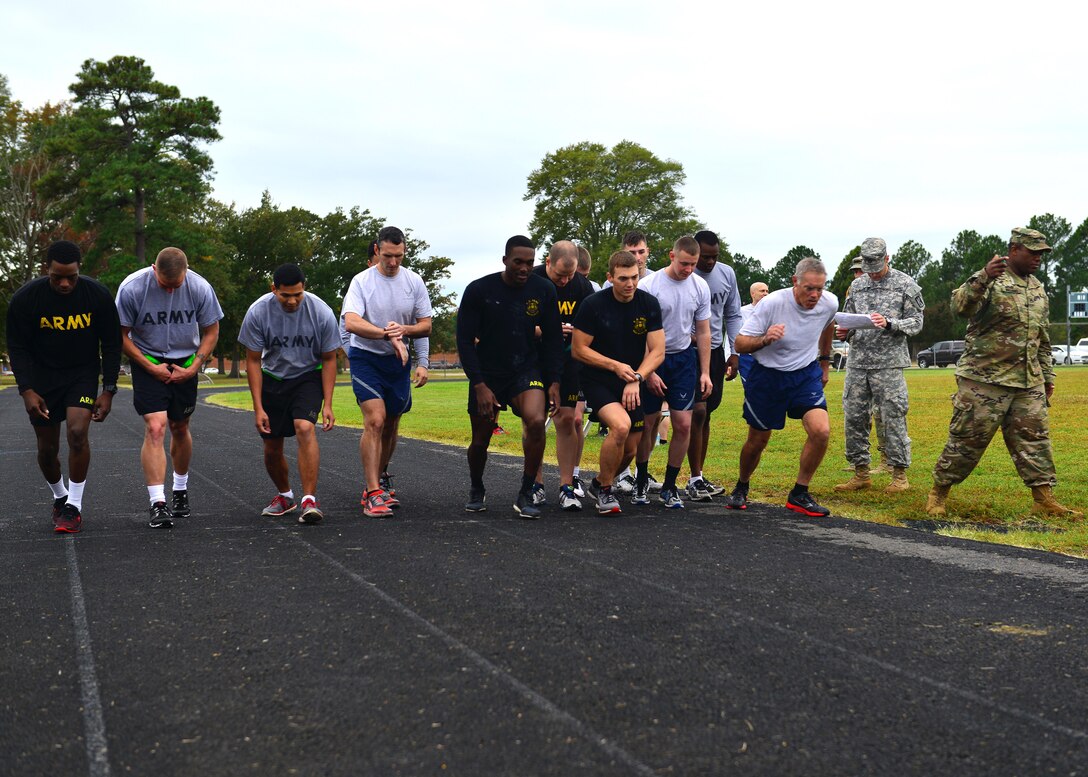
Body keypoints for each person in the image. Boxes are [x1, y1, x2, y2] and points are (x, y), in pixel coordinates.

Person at [927, 227, 1082, 520]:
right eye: (1032, 252)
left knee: (1035, 439)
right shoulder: (989, 280)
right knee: (967, 440)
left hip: (1028, 380)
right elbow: (960, 307)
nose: (1038, 258)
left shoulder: (1037, 287)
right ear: (1013, 250)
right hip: (985, 379)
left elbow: (1042, 336)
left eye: (1041, 253)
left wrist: (1047, 376)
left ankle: (1043, 499)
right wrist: (983, 276)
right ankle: (939, 491)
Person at [5, 240, 122, 533]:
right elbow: (17, 348)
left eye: (71, 276)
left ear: (79, 269)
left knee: (78, 432)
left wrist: (108, 390)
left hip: (81, 373)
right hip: (41, 377)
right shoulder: (25, 300)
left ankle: (74, 507)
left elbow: (111, 344)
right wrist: (26, 389)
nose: (66, 283)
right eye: (58, 277)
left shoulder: (97, 296)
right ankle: (60, 497)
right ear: (47, 270)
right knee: (47, 449)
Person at [456, 235, 563, 518]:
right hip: (487, 373)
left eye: (530, 263)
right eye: (518, 262)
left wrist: (554, 381)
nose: (524, 268)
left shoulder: (544, 290)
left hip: (525, 369)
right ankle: (476, 487)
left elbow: (552, 338)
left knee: (536, 420)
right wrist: (478, 384)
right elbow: (465, 341)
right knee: (480, 440)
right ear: (505, 260)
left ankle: (527, 490)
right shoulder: (479, 290)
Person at [116, 247, 223, 528]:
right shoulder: (131, 288)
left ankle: (180, 488)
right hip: (147, 358)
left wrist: (194, 365)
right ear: (154, 270)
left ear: (187, 272)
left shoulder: (200, 287)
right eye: (165, 284)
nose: (171, 290)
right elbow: (121, 335)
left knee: (179, 426)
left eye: (177, 285)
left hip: (185, 360)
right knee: (155, 426)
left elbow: (211, 331)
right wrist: (149, 366)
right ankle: (157, 502)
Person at [727, 257, 838, 517]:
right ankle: (742, 485)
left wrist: (824, 362)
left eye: (820, 288)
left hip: (804, 375)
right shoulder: (772, 303)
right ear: (794, 282)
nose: (815, 295)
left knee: (821, 431)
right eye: (809, 288)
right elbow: (740, 344)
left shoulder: (829, 303)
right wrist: (766, 339)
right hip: (767, 377)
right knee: (758, 440)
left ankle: (799, 493)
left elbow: (828, 323)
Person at [238, 263, 341, 523]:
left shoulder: (321, 311)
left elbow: (329, 359)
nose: (293, 300)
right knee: (272, 445)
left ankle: (309, 500)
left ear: (304, 288)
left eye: (298, 294)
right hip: (273, 377)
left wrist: (328, 404)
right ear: (274, 289)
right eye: (286, 295)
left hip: (307, 376)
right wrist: (258, 406)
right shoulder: (258, 312)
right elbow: (252, 360)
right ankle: (285, 496)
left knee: (304, 427)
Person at [342, 226, 432, 518]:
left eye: (399, 256)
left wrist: (420, 359)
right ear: (377, 251)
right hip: (366, 357)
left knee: (392, 422)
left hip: (398, 361)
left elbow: (425, 324)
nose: (393, 262)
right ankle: (371, 492)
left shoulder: (414, 281)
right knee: (375, 420)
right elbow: (352, 322)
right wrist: (385, 335)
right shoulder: (361, 281)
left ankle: (379, 477)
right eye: (388, 256)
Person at [572, 250, 665, 514]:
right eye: (623, 278)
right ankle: (605, 493)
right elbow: (579, 349)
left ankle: (601, 481)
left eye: (635, 277)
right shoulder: (592, 305)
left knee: (631, 448)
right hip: (597, 379)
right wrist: (615, 366)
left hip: (631, 382)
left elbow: (658, 350)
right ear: (610, 277)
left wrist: (637, 377)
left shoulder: (648, 304)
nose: (630, 284)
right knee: (621, 427)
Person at [834, 238, 924, 495]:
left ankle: (899, 475)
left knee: (893, 417)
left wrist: (890, 323)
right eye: (868, 266)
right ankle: (861, 472)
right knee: (854, 417)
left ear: (887, 258)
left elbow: (916, 323)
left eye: (876, 265)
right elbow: (847, 319)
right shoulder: (857, 285)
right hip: (858, 362)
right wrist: (844, 332)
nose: (872, 272)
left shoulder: (905, 284)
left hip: (889, 364)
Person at [631, 236, 713, 509]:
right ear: (671, 256)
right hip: (652, 358)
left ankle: (670, 485)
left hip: (683, 360)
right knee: (649, 422)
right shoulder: (649, 286)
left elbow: (703, 331)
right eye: (684, 263)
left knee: (684, 424)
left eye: (693, 264)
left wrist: (705, 372)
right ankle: (641, 478)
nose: (688, 269)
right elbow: (639, 333)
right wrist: (648, 372)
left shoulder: (700, 287)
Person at [532, 241, 595, 510]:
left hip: (568, 359)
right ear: (548, 263)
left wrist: (575, 331)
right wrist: (545, 329)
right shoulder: (531, 280)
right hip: (534, 358)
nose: (565, 281)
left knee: (567, 419)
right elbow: (517, 321)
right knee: (534, 420)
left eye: (570, 275)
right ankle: (534, 484)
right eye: (560, 275)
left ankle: (567, 486)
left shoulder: (581, 286)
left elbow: (590, 323)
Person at [686, 230, 743, 500]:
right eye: (705, 257)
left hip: (717, 351)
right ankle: (693, 477)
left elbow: (733, 314)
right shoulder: (685, 275)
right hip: (687, 351)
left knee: (707, 411)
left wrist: (735, 352)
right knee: (696, 411)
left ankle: (698, 475)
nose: (709, 262)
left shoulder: (727, 274)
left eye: (714, 257)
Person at [737, 281, 770, 382]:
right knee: (750, 387)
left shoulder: (773, 310)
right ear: (753, 294)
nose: (765, 293)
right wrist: (731, 356)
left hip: (768, 357)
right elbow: (734, 335)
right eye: (762, 291)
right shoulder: (742, 312)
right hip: (748, 357)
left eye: (767, 291)